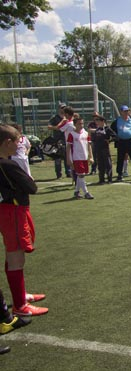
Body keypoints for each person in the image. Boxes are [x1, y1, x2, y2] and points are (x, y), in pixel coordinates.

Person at [0, 124, 48, 317]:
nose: (20, 144)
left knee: (12, 255)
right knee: (16, 256)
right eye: (17, 141)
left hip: (8, 210)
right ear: (7, 142)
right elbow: (31, 187)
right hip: (13, 211)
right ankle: (20, 305)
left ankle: (20, 295)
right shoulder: (7, 165)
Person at [111, 105, 131, 182]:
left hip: (130, 141)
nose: (126, 113)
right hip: (121, 142)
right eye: (124, 111)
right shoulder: (117, 121)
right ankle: (120, 174)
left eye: (127, 111)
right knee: (120, 159)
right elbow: (111, 130)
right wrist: (115, 138)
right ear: (121, 112)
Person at [66, 116, 94, 199]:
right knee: (81, 175)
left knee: (80, 175)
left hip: (84, 157)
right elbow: (68, 147)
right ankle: (86, 192)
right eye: (79, 124)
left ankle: (76, 191)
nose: (81, 125)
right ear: (74, 125)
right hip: (76, 157)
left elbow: (89, 145)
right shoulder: (72, 134)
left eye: (82, 123)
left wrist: (91, 156)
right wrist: (68, 159)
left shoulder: (85, 133)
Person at [91, 115, 115, 184]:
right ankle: (101, 179)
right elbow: (94, 139)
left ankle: (109, 179)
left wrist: (109, 140)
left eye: (98, 120)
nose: (97, 122)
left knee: (108, 164)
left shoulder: (107, 129)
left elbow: (115, 136)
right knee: (100, 165)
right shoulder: (97, 130)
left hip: (105, 149)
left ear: (103, 121)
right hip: (98, 149)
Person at [47, 103, 69, 179]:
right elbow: (49, 126)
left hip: (66, 140)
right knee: (58, 158)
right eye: (62, 108)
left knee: (67, 157)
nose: (63, 109)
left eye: (65, 107)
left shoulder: (67, 117)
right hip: (57, 140)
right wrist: (57, 126)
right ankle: (58, 174)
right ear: (59, 109)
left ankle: (68, 172)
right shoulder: (55, 118)